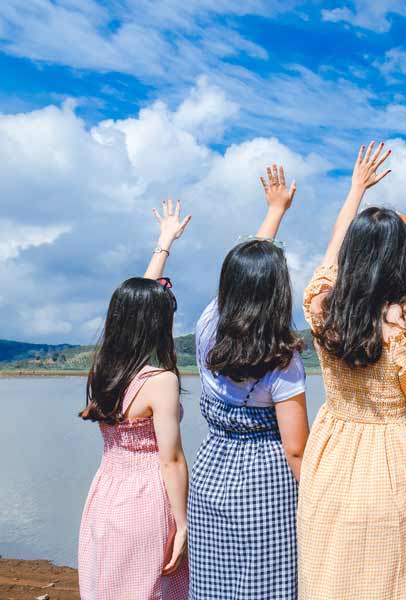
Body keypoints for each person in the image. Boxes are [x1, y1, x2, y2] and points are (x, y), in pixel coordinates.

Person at [298, 142, 406, 599]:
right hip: (392, 463)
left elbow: (332, 254)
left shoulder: (323, 308)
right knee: (398, 581)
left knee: (332, 581)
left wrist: (355, 191)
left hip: (330, 457)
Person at [187, 165, 309, 600]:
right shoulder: (284, 359)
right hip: (268, 485)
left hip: (210, 472)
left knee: (214, 584)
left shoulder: (207, 326)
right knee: (270, 585)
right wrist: (324, 497)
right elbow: (296, 449)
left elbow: (244, 277)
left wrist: (274, 211)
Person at [78, 198, 192, 599]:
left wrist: (164, 243)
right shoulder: (160, 381)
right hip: (147, 498)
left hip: (106, 492)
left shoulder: (107, 368)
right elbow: (171, 459)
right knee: (149, 589)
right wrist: (182, 524)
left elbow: (136, 305)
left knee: (110, 586)